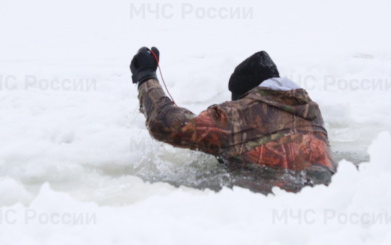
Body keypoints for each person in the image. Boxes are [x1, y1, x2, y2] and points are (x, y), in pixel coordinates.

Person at [130, 47, 337, 193]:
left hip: (275, 204)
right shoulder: (309, 111)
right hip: (328, 196)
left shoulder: (238, 115)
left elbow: (164, 123)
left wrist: (146, 77)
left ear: (245, 94)